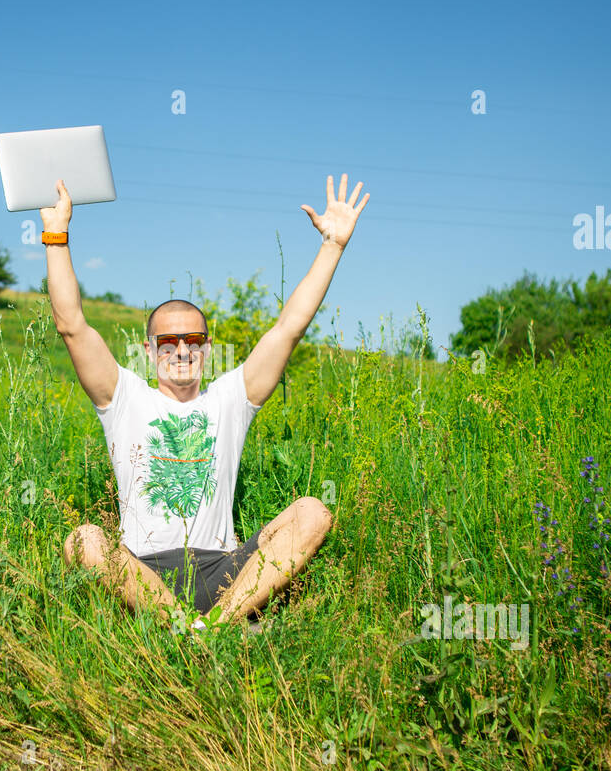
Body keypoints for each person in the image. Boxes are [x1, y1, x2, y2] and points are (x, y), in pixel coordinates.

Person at [43, 173, 370, 630]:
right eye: (168, 341)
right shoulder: (122, 398)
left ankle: (212, 628)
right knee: (83, 540)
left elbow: (288, 329)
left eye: (193, 339)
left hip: (224, 571)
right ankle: (184, 625)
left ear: (208, 349)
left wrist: (332, 245)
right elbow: (72, 325)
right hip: (144, 572)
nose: (181, 350)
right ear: (148, 350)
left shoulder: (230, 399)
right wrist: (56, 236)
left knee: (313, 512)